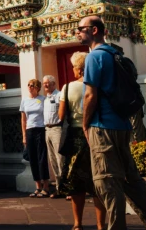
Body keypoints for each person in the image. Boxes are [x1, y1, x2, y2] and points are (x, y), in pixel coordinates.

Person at [78, 15, 146, 230]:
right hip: (123, 125)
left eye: (80, 28)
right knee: (132, 180)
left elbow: (90, 95)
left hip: (103, 126)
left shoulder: (94, 57)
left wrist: (85, 124)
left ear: (94, 30)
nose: (77, 32)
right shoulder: (116, 53)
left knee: (107, 181)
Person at [58, 52, 106, 230]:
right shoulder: (97, 86)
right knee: (97, 180)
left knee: (75, 182)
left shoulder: (68, 88)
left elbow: (61, 116)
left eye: (74, 67)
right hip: (95, 134)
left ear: (78, 69)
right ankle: (101, 224)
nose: (73, 70)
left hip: (75, 137)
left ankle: (77, 224)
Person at [20, 78, 49, 197]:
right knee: (32, 159)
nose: (30, 87)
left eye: (32, 85)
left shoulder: (43, 99)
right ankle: (37, 186)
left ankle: (46, 186)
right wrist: (24, 135)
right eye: (28, 85)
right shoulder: (25, 101)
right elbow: (23, 119)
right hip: (29, 130)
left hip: (41, 129)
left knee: (42, 158)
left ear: (37, 88)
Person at [42, 74, 64, 197]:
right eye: (44, 83)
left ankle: (65, 187)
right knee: (52, 159)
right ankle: (58, 187)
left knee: (60, 158)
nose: (45, 85)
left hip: (56, 129)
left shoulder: (59, 95)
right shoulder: (45, 99)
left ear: (53, 84)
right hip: (47, 130)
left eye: (47, 83)